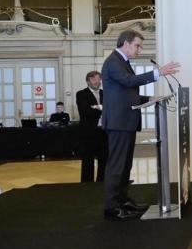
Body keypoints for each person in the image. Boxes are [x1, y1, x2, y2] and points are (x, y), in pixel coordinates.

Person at [101, 29, 179, 221]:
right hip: (119, 122)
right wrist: (158, 73)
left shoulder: (122, 62)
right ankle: (112, 208)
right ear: (126, 43)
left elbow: (126, 93)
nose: (139, 50)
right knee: (117, 165)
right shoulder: (113, 61)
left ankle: (122, 201)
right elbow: (128, 82)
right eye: (137, 46)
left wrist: (151, 98)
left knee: (125, 165)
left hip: (125, 121)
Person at [76, 71, 107, 182]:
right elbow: (85, 112)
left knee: (104, 159)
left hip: (104, 131)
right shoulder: (81, 94)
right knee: (88, 160)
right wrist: (102, 108)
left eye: (99, 79)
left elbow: (111, 109)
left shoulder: (105, 93)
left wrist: (96, 107)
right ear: (88, 81)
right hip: (88, 132)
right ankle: (87, 185)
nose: (97, 82)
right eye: (94, 79)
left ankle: (102, 182)